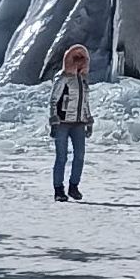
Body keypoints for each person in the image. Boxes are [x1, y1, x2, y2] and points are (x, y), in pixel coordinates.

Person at [49, 45, 94, 202]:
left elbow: (85, 103)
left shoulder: (82, 81)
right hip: (62, 122)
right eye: (75, 59)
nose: (79, 63)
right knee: (61, 157)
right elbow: (54, 99)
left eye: (82, 60)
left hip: (79, 123)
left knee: (79, 156)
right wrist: (54, 119)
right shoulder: (62, 78)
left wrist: (89, 120)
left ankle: (73, 186)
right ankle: (58, 189)